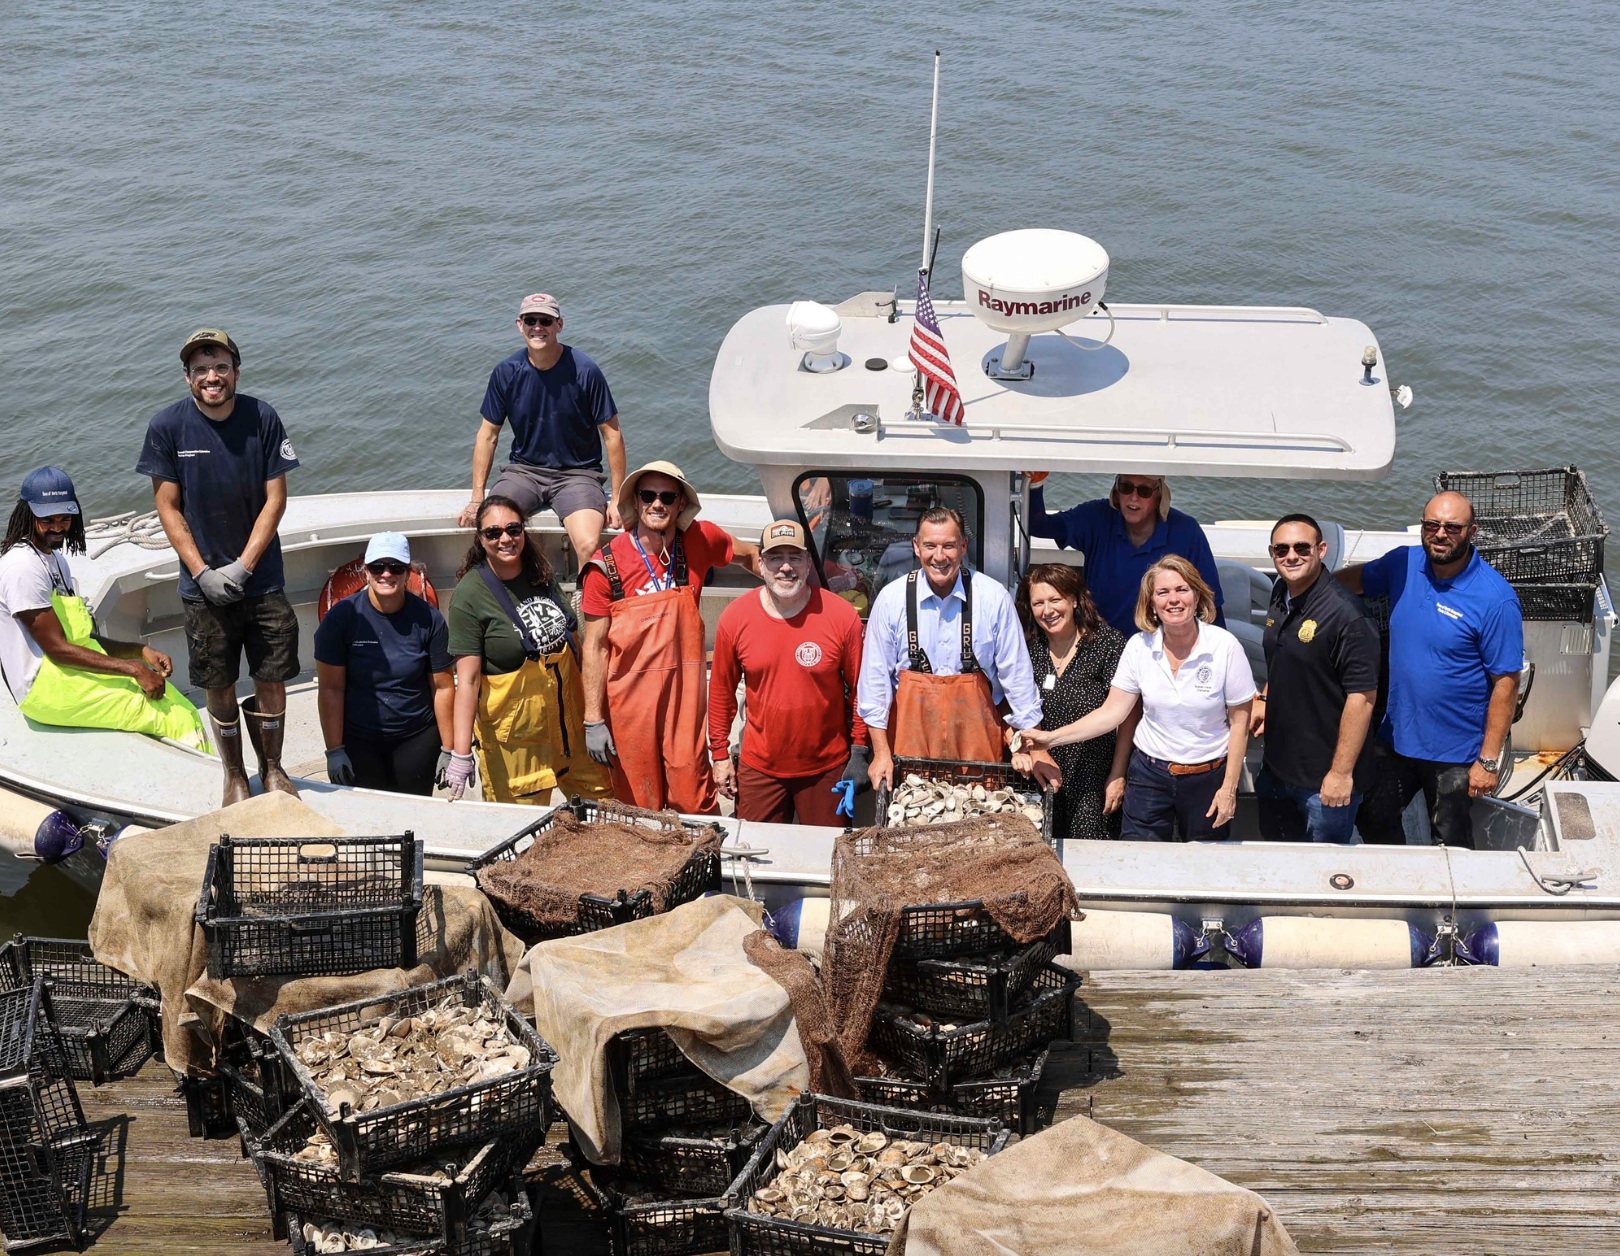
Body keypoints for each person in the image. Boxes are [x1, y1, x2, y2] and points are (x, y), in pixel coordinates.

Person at [136, 329, 301, 805]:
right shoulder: (166, 427)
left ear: (236, 372)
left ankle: (272, 768)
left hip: (263, 580)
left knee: (271, 677)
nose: (213, 377)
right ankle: (233, 776)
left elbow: (276, 498)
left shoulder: (262, 417)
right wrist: (203, 571)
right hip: (201, 588)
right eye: (202, 369)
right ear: (188, 377)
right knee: (218, 681)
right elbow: (168, 506)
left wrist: (245, 566)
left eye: (221, 367)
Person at [1335, 491, 1522, 848]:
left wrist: (1488, 760)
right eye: (1432, 524)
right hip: (1397, 736)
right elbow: (1350, 582)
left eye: (1453, 527)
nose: (1440, 534)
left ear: (1472, 531)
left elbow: (1506, 684)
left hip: (1457, 751)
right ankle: (1403, 878)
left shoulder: (1496, 599)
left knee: (1450, 837)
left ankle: (1451, 901)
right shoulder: (1402, 564)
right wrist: (1306, 589)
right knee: (1371, 814)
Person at [1022, 556, 1255, 841]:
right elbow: (1112, 713)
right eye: (1162, 593)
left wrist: (1229, 788)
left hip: (1207, 777)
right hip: (1148, 777)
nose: (1173, 600)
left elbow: (1240, 725)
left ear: (1197, 596)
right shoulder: (1139, 647)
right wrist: (1051, 738)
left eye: (1182, 590)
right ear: (1151, 603)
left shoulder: (1225, 647)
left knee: (1203, 862)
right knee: (1137, 861)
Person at [579, 461, 759, 813]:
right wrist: (593, 720)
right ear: (635, 502)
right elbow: (595, 647)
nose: (657, 504)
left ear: (681, 505)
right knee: (638, 805)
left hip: (684, 699)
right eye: (648, 495)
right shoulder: (605, 567)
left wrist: (789, 596)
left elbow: (752, 556)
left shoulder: (701, 539)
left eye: (667, 496)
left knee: (694, 796)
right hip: (630, 705)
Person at [0, 469, 204, 745]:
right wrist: (134, 669)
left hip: (67, 673)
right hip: (45, 688)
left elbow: (83, 640)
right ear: (27, 515)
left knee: (173, 699)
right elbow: (57, 649)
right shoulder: (22, 567)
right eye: (47, 520)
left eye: (65, 518)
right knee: (171, 717)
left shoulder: (55, 560)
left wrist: (140, 651)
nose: (58, 527)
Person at [857, 508, 1048, 790]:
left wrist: (1038, 749)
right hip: (910, 750)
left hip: (978, 750)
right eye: (930, 546)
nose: (939, 556)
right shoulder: (891, 600)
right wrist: (881, 754)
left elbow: (1017, 680)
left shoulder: (994, 598)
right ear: (916, 547)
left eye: (948, 546)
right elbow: (874, 686)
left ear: (963, 547)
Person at [444, 497, 610, 804]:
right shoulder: (469, 596)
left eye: (513, 529)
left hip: (572, 729)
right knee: (519, 835)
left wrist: (595, 718)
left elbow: (573, 636)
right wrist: (460, 752)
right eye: (493, 533)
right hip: (517, 746)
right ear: (480, 539)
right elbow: (466, 682)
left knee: (605, 809)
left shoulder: (540, 573)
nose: (505, 538)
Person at [708, 519, 869, 826]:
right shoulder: (735, 617)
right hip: (760, 767)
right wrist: (719, 755)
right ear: (760, 562)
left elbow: (862, 690)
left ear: (808, 563)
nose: (785, 567)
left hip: (827, 767)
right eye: (775, 557)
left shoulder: (842, 616)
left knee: (828, 858)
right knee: (753, 861)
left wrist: (859, 751)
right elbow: (720, 693)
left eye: (794, 557)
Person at [457, 293, 628, 571]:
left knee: (587, 544)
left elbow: (612, 435)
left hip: (578, 475)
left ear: (559, 325)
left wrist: (618, 500)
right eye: (530, 320)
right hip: (524, 472)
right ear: (519, 325)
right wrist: (477, 499)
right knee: (491, 528)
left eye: (545, 320)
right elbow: (487, 435)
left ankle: (588, 610)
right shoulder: (506, 372)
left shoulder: (585, 370)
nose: (538, 326)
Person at [1251, 514, 1380, 843]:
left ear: (1321, 549)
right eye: (1281, 549)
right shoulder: (1281, 591)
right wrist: (1265, 696)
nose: (1291, 556)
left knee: (1322, 873)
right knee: (1277, 854)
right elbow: (1282, 655)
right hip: (1277, 766)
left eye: (1301, 547)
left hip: (1322, 782)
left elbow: (1362, 699)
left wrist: (1340, 774)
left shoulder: (1348, 616)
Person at [313, 533, 453, 796]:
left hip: (417, 735)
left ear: (407, 571)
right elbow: (331, 688)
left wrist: (450, 749)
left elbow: (443, 687)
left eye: (396, 567)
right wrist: (334, 750)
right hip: (359, 737)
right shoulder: (340, 619)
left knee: (413, 812)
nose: (386, 574)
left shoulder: (429, 620)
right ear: (366, 571)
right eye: (378, 567)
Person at [1013, 563, 1133, 841]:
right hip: (1039, 774)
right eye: (1038, 603)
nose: (1047, 610)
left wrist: (1118, 773)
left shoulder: (1108, 643)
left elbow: (1126, 716)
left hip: (1092, 776)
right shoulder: (1028, 648)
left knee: (1089, 856)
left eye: (1055, 600)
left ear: (1074, 600)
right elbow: (1010, 707)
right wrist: (1020, 749)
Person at [1025, 472, 1225, 639]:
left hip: (1163, 645)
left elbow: (1210, 602)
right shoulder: (1097, 517)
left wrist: (1218, 654)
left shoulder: (1186, 531)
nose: (1134, 498)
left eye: (1144, 491)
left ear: (1160, 497)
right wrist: (1036, 482)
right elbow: (1039, 525)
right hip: (1101, 643)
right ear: (1116, 490)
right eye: (1126, 487)